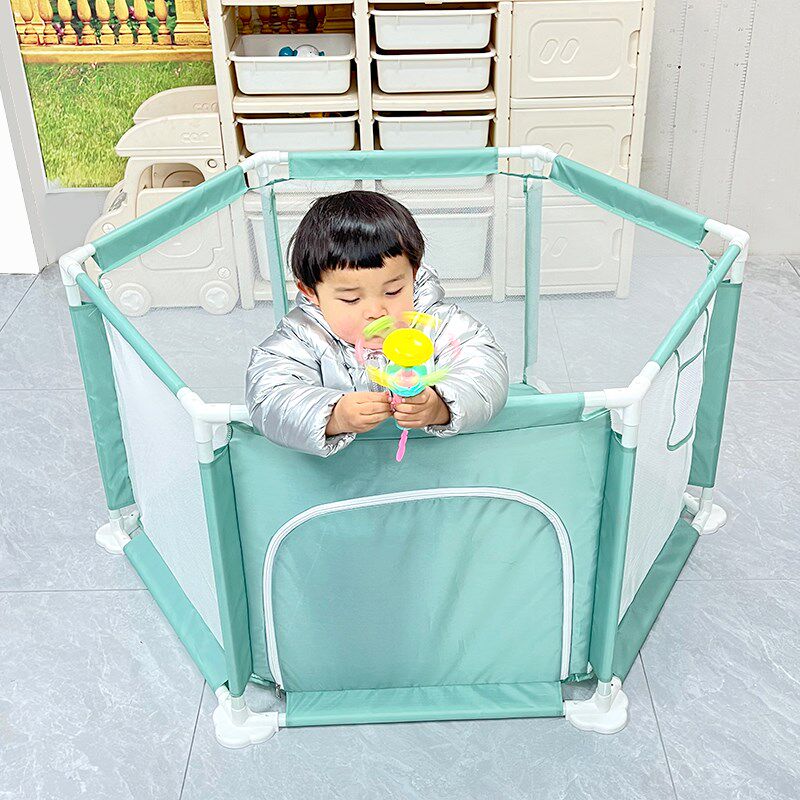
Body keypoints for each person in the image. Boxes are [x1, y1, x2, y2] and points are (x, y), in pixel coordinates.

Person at [245, 190, 509, 457]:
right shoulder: (302, 336)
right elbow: (268, 397)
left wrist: (441, 405)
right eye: (351, 299)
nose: (376, 312)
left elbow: (486, 368)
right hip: (341, 473)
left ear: (413, 274)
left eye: (393, 291)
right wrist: (334, 416)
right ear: (311, 292)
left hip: (430, 465)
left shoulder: (437, 323)